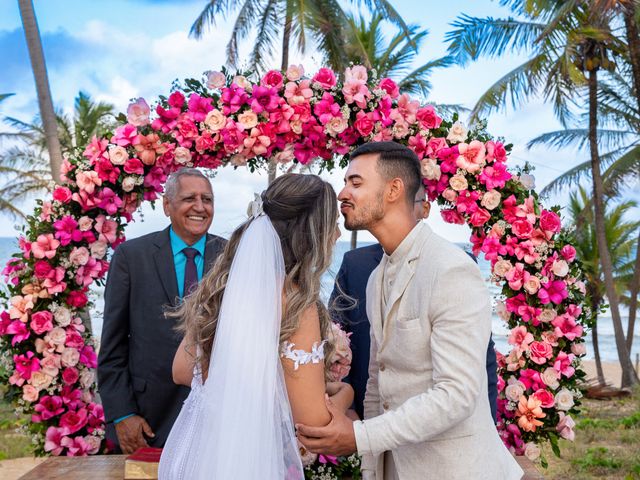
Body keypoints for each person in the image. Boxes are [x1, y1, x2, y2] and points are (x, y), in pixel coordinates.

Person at [297, 142, 522, 480]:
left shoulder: (449, 270)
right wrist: (373, 467)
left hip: (455, 469)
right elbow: (377, 382)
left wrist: (359, 438)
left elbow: (456, 395)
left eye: (355, 182)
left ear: (393, 190)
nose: (342, 193)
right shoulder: (376, 278)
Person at [159, 173, 354, 479]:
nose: (338, 234)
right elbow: (312, 422)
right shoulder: (296, 305)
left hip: (192, 452)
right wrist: (344, 395)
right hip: (245, 461)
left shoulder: (222, 289)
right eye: (333, 223)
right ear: (312, 232)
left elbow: (182, 370)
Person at [330, 192, 499, 422]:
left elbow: (482, 356)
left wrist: (489, 420)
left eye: (409, 202)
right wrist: (346, 404)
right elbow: (336, 332)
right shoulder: (355, 262)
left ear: (426, 209)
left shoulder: (454, 262)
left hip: (436, 417)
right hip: (365, 409)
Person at [97, 168, 227, 453]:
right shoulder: (131, 257)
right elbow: (112, 345)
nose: (200, 207)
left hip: (217, 419)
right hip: (148, 419)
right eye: (189, 198)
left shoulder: (232, 256)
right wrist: (122, 414)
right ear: (167, 205)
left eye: (207, 199)